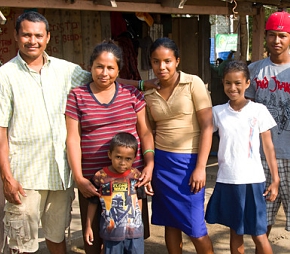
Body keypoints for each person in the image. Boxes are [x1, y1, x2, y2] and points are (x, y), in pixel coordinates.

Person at [0, 11, 91, 254]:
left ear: (48, 37)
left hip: (59, 173)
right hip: (25, 177)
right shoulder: (3, 77)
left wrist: (142, 85)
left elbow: (102, 79)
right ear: (16, 36)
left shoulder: (66, 71)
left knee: (57, 237)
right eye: (27, 35)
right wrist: (6, 177)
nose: (33, 41)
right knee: (22, 244)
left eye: (38, 35)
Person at [65, 40, 155, 254]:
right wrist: (79, 178)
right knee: (93, 241)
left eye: (110, 67)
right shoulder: (77, 96)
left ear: (118, 69)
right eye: (99, 66)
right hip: (93, 184)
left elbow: (145, 132)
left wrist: (150, 165)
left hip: (131, 181)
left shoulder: (132, 95)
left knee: (130, 241)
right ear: (90, 67)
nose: (104, 72)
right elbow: (72, 139)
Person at [244, 11, 290, 254]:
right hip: (261, 157)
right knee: (261, 218)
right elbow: (246, 114)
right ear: (265, 36)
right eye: (272, 35)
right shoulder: (254, 70)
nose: (277, 41)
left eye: (282, 36)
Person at [144, 37, 214, 254]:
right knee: (170, 221)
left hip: (189, 162)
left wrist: (201, 167)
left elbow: (207, 127)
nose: (161, 67)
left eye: (167, 61)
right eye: (156, 62)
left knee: (196, 227)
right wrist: (140, 84)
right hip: (162, 163)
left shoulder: (193, 83)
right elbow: (147, 130)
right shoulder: (148, 91)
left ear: (177, 61)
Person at [205, 60, 279, 254]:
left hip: (252, 181)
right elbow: (204, 137)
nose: (233, 87)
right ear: (223, 83)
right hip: (227, 179)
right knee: (235, 231)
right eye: (228, 83)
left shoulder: (258, 110)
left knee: (259, 234)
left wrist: (275, 179)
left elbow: (269, 146)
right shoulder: (217, 112)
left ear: (247, 83)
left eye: (238, 83)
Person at [84, 132, 149, 254]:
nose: (122, 162)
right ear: (110, 154)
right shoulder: (100, 177)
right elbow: (92, 203)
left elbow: (139, 200)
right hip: (111, 235)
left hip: (135, 234)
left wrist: (138, 225)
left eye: (128, 159)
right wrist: (88, 226)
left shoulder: (136, 176)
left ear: (134, 158)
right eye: (118, 157)